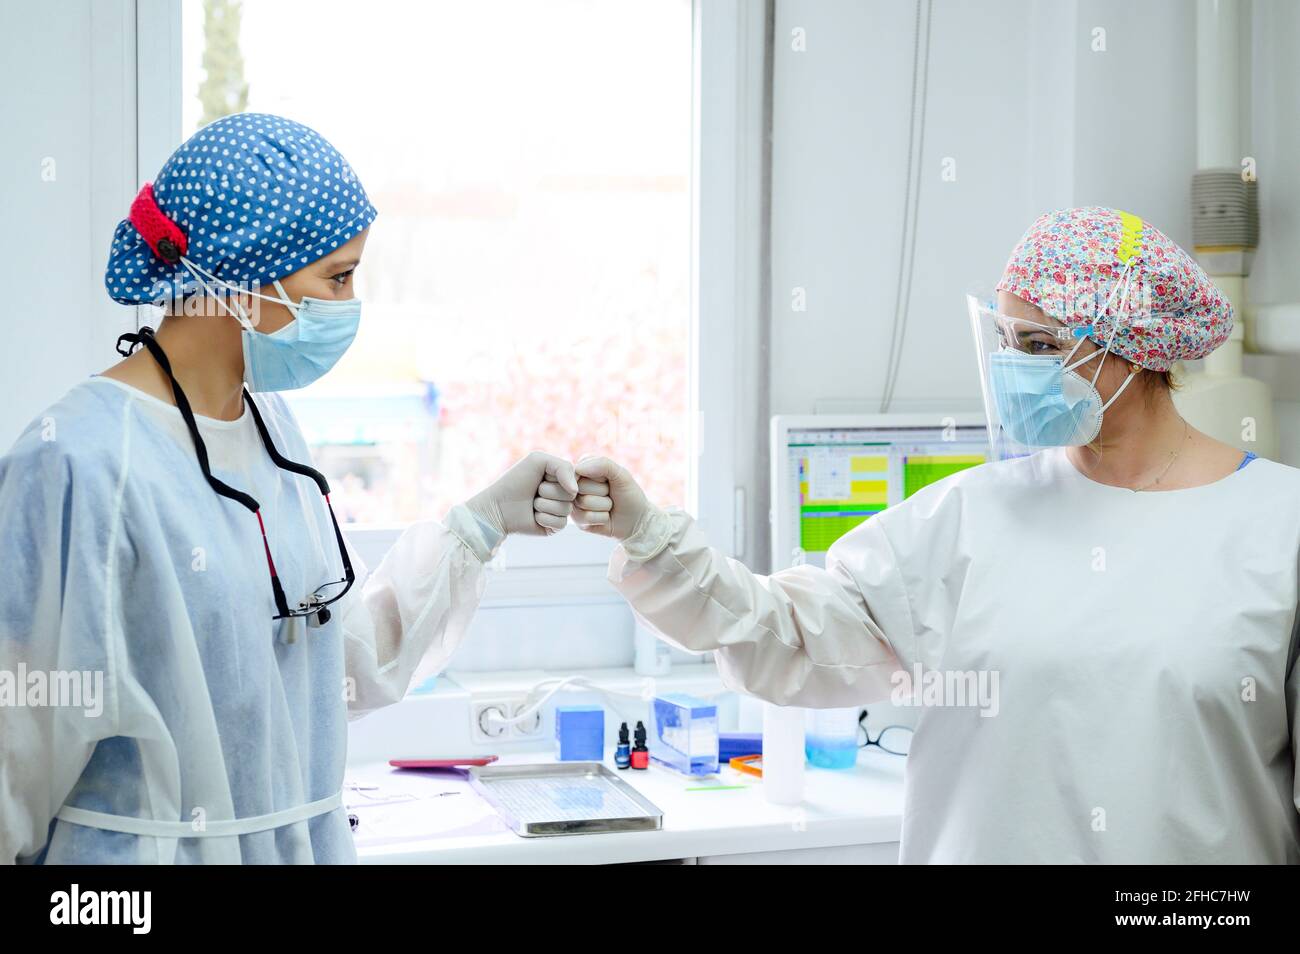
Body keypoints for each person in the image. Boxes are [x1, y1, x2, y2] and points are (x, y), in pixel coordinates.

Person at [572, 207, 1300, 864]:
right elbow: (780, 635)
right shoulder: (965, 519)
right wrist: (650, 536)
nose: (1011, 368)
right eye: (1006, 339)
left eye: (1041, 345)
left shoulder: (1280, 526)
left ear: (1137, 347)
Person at [0, 113, 577, 864]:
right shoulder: (78, 463)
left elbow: (329, 661)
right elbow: (19, 749)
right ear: (239, 277)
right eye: (336, 278)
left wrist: (478, 527)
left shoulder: (269, 433)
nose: (349, 306)